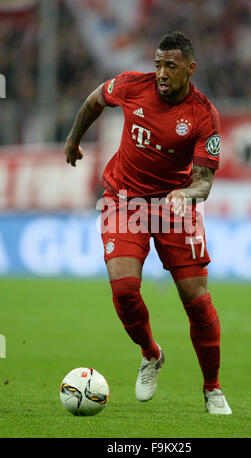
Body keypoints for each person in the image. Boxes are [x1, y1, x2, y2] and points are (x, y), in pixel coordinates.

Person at [64, 31, 231, 415]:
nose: (161, 73)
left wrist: (184, 195)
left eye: (170, 66)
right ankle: (151, 353)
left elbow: (204, 182)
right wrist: (74, 140)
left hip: (175, 207)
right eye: (157, 65)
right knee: (123, 289)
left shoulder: (203, 115)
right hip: (124, 200)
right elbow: (93, 101)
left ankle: (212, 389)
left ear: (190, 69)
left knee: (197, 301)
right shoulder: (130, 86)